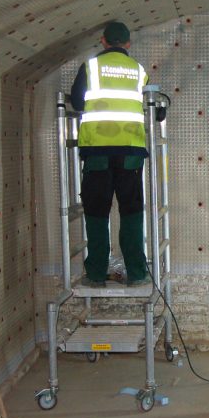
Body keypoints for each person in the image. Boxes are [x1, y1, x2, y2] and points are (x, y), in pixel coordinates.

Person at [70, 21, 150, 287]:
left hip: (97, 151)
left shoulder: (91, 67)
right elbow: (148, 100)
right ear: (128, 44)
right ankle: (137, 273)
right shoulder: (138, 70)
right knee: (131, 211)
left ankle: (95, 274)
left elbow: (77, 101)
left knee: (96, 212)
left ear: (103, 41)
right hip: (130, 151)